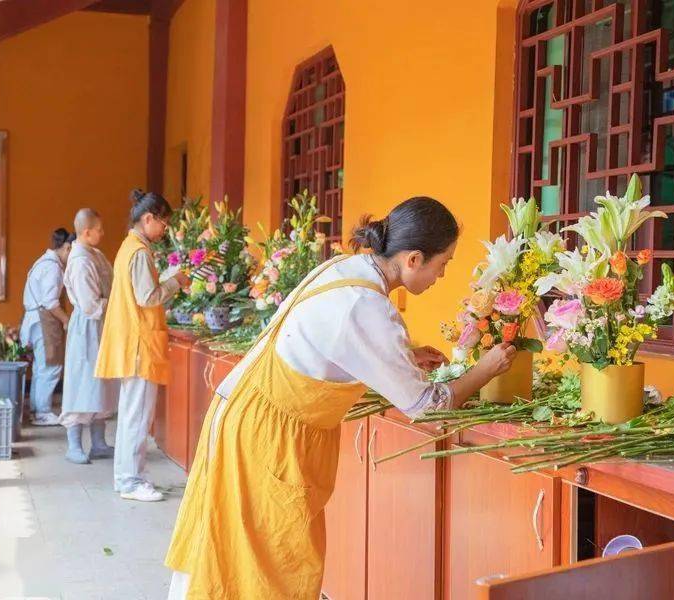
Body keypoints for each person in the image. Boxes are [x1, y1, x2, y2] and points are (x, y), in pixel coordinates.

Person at [164, 197, 518, 599]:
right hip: (267, 438)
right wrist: (487, 368)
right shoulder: (366, 306)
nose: (442, 275)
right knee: (263, 568)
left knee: (243, 555)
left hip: (252, 414)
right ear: (414, 259)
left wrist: (403, 358)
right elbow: (426, 405)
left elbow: (338, 345)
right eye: (444, 264)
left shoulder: (347, 270)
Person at [95, 190, 191, 502]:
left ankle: (130, 477)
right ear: (147, 218)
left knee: (131, 415)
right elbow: (148, 297)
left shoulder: (131, 247)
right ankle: (130, 481)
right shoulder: (138, 252)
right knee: (136, 416)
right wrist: (177, 281)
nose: (165, 229)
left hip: (135, 342)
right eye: (163, 222)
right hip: (139, 344)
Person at [60, 209, 120, 464]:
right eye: (99, 230)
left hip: (103, 326)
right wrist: (118, 302)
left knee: (103, 383)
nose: (102, 234)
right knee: (82, 383)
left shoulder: (95, 254)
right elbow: (90, 304)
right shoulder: (80, 260)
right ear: (86, 232)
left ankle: (98, 442)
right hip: (88, 327)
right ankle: (74, 445)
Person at [20, 228, 74, 427]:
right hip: (44, 320)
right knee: (51, 366)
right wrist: (66, 320)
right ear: (67, 248)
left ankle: (37, 410)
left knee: (41, 367)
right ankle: (42, 412)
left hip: (35, 319)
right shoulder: (53, 267)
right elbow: (50, 302)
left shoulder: (42, 262)